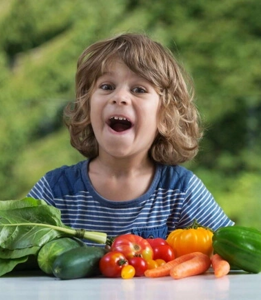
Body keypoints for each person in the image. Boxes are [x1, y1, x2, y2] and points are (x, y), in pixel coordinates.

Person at [27, 33, 234, 246]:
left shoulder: (181, 191)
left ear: (165, 116)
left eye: (139, 89)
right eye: (107, 86)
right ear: (87, 106)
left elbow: (234, 249)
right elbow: (9, 247)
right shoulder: (54, 191)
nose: (120, 97)